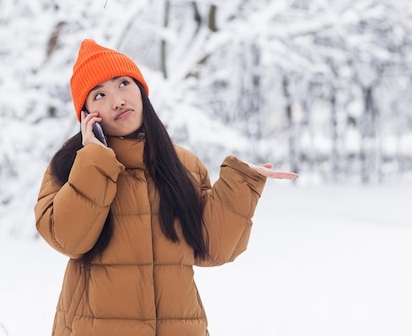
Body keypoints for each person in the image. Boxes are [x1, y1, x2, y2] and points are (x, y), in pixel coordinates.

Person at [34, 39, 298, 336]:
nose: (117, 100)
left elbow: (213, 248)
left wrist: (241, 183)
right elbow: (68, 240)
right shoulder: (70, 168)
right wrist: (94, 160)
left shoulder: (183, 165)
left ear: (141, 90)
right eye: (99, 95)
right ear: (86, 115)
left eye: (123, 84)